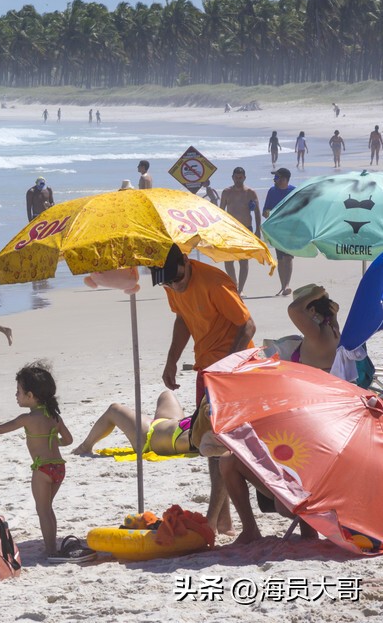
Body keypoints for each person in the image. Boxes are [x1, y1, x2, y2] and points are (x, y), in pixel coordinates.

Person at [153, 243, 255, 535]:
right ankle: (222, 520)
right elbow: (183, 319)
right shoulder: (170, 283)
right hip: (205, 369)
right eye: (168, 282)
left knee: (220, 445)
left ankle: (213, 522)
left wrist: (229, 367)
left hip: (234, 370)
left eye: (178, 279)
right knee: (206, 444)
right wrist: (171, 361)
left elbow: (248, 326)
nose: (175, 286)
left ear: (186, 261)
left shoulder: (215, 282)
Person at [0, 362, 92, 562]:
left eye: (19, 392)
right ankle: (50, 546)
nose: (16, 395)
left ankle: (51, 550)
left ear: (30, 396)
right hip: (59, 467)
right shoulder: (54, 417)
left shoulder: (27, 419)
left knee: (43, 510)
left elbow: (0, 429)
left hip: (42, 469)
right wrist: (51, 440)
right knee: (48, 508)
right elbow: (69, 440)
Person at [220, 451, 319, 546]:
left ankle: (308, 526)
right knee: (229, 460)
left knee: (286, 505)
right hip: (274, 463)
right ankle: (249, 529)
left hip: (306, 474)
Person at [72, 389, 198, 457]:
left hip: (147, 438)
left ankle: (84, 447)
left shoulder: (196, 439)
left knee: (113, 409)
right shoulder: (206, 424)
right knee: (167, 394)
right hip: (173, 422)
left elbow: (206, 445)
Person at [219, 167, 261, 295]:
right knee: (228, 260)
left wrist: (258, 230)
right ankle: (234, 284)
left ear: (244, 177)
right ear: (232, 177)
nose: (238, 180)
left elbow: (257, 212)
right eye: (236, 177)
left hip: (246, 230)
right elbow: (221, 212)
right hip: (230, 230)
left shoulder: (250, 192)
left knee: (243, 261)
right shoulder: (226, 192)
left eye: (240, 177)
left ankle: (241, 289)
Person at [286, 284, 340, 371]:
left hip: (318, 383)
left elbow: (293, 309)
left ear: (312, 310)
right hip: (333, 380)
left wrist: (314, 295)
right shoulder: (333, 327)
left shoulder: (316, 333)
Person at [263, 168, 295, 296]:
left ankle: (287, 285)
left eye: (277, 177)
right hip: (276, 231)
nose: (274, 180)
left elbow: (301, 210)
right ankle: (283, 286)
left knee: (288, 257)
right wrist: (269, 214)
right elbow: (265, 211)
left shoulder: (294, 191)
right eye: (275, 177)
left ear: (285, 179)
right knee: (281, 259)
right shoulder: (272, 191)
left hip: (290, 230)